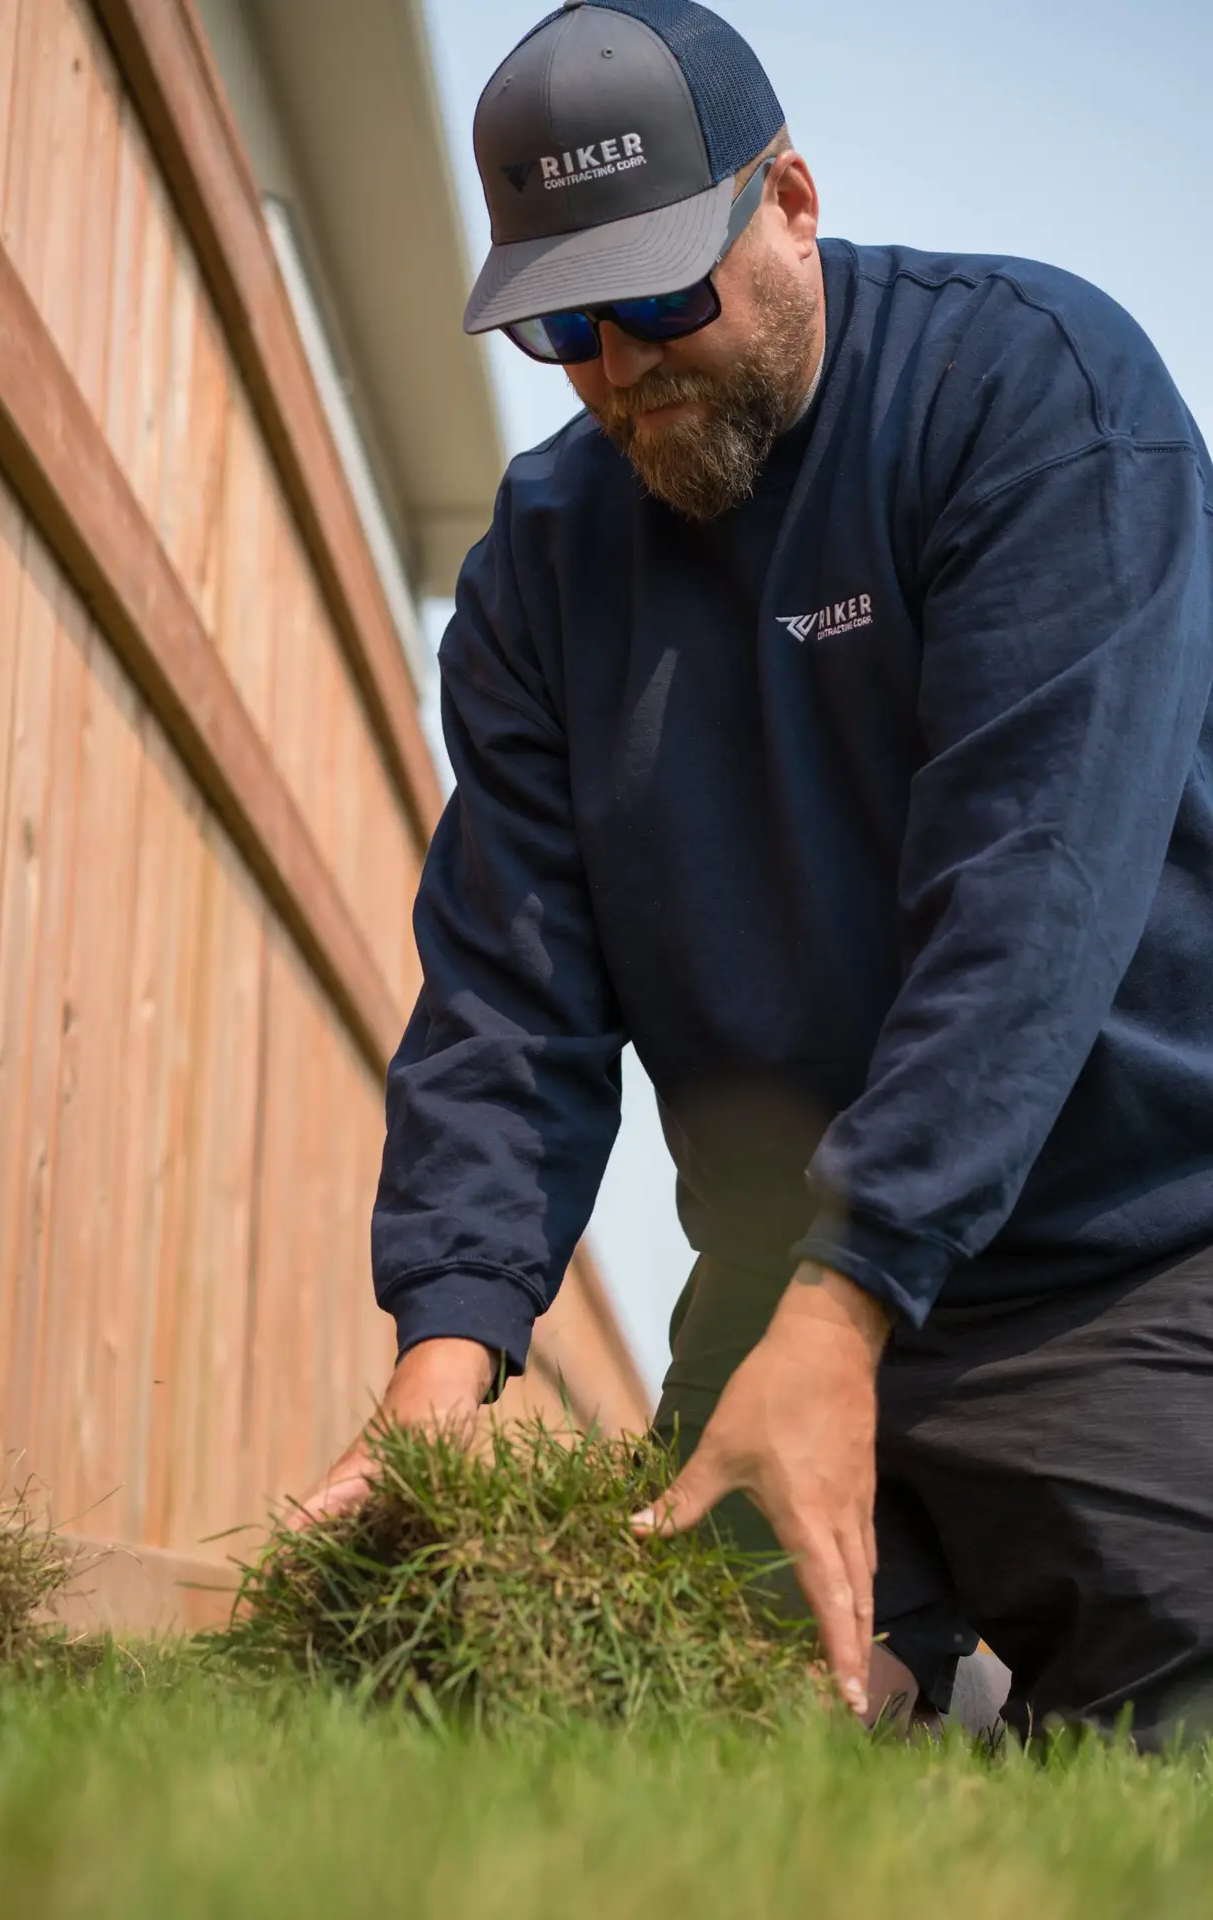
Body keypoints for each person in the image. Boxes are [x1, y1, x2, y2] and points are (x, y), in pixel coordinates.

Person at [295, 0, 1213, 1747]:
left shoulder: (1036, 400)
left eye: (655, 296)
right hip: (777, 1272)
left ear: (788, 196)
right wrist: (452, 1346)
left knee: (1170, 1777)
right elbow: (510, 991)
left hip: (1126, 1254)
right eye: (565, 321)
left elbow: (1032, 900)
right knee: (662, 1764)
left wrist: (860, 1288)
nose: (620, 361)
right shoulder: (538, 576)